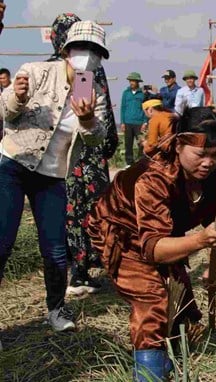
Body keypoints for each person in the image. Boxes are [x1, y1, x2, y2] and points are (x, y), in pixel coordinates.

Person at [87, 107, 216, 381]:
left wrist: (214, 267)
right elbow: (152, 249)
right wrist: (199, 240)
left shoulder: (213, 175)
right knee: (153, 301)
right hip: (121, 232)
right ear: (178, 145)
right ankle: (149, 375)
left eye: (215, 155)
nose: (208, 163)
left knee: (181, 306)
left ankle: (172, 361)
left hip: (164, 232)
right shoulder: (153, 178)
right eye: (200, 155)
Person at [0, 20, 109, 331]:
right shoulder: (36, 71)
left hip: (53, 177)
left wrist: (87, 119)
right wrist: (17, 97)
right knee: (2, 243)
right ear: (65, 50)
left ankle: (57, 310)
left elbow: (95, 138)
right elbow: (5, 112)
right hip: (13, 166)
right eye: (80, 48)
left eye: (94, 51)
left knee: (56, 250)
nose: (86, 55)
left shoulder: (92, 89)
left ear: (100, 57)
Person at [44, 13, 119, 296]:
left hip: (58, 157)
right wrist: (107, 147)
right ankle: (80, 273)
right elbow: (90, 117)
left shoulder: (52, 65)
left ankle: (72, 272)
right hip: (85, 157)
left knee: (66, 212)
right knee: (85, 211)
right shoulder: (86, 70)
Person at [121, 72, 148, 166]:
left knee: (141, 143)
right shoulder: (126, 93)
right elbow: (123, 108)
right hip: (127, 122)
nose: (131, 82)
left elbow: (145, 109)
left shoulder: (142, 94)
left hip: (139, 123)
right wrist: (122, 122)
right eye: (130, 81)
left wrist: (145, 122)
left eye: (133, 81)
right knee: (128, 144)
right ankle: (129, 163)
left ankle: (140, 162)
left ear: (138, 82)